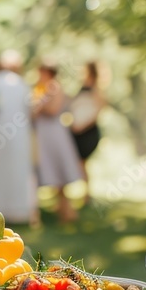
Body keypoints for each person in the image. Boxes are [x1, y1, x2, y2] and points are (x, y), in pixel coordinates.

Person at [0, 50, 36, 226]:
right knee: (16, 172)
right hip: (17, 137)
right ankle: (17, 212)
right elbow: (31, 112)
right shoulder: (23, 85)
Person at [33, 62, 84, 224]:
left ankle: (67, 211)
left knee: (59, 169)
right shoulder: (40, 87)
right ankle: (61, 209)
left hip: (53, 133)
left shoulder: (53, 87)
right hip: (44, 133)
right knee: (51, 169)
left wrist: (39, 107)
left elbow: (53, 109)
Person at [70, 62, 105, 197]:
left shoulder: (96, 89)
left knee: (82, 162)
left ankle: (87, 194)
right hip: (77, 130)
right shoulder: (82, 87)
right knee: (80, 162)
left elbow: (99, 111)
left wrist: (82, 125)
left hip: (88, 131)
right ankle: (86, 193)